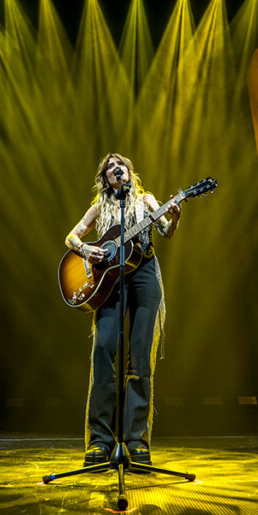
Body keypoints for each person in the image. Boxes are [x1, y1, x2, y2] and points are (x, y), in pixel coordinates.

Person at [65, 153, 181, 466]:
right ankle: (100, 442)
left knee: (140, 355)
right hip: (108, 280)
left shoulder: (146, 201)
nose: (118, 168)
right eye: (111, 167)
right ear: (106, 178)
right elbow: (72, 237)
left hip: (143, 273)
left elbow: (167, 230)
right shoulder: (100, 207)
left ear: (130, 172)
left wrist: (176, 216)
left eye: (123, 164)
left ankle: (136, 441)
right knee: (103, 351)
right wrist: (89, 249)